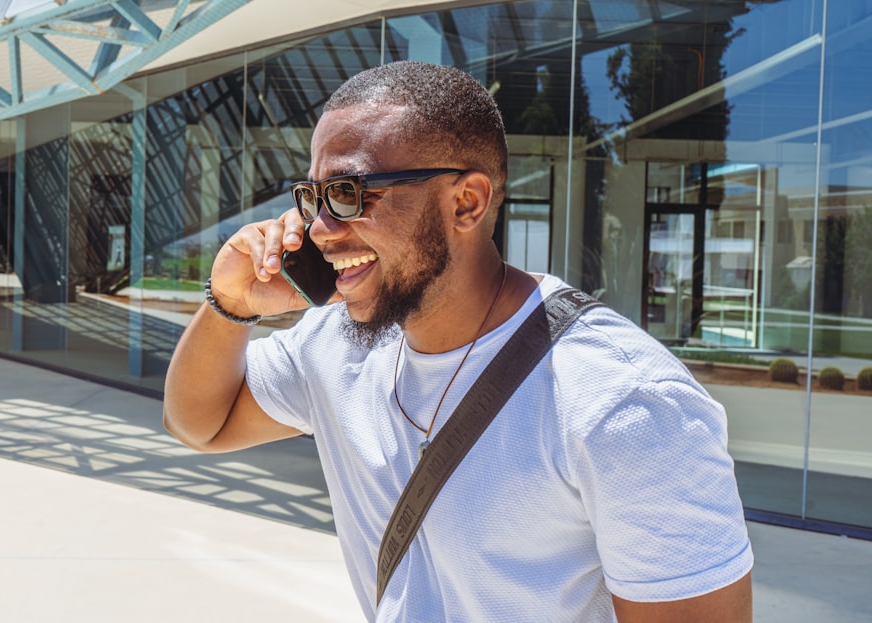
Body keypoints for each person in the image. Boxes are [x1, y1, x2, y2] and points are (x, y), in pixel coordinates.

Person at [163, 60, 753, 622]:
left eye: (349, 193)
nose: (320, 229)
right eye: (314, 197)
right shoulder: (335, 342)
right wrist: (229, 308)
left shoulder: (625, 403)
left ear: (466, 202)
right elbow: (200, 424)